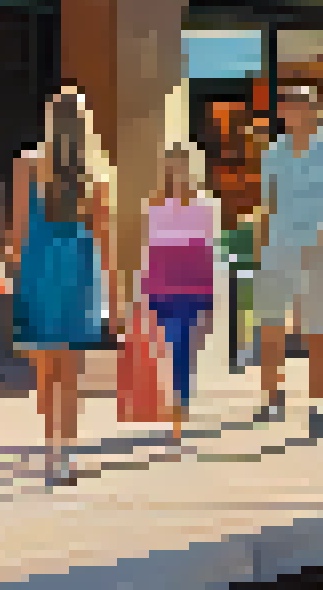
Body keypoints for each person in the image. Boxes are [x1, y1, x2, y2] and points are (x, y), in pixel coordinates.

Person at [8, 87, 116, 484]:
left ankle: (52, 447)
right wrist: (115, 301)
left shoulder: (27, 165)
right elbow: (105, 239)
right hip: (80, 275)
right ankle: (66, 454)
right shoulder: (97, 173)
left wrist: (15, 268)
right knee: (71, 372)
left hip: (39, 273)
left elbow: (19, 232)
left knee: (45, 370)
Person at [253, 85, 323, 437]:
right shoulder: (274, 153)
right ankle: (272, 396)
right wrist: (260, 248)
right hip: (277, 248)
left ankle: (317, 404)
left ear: (313, 110)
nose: (285, 111)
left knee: (314, 328)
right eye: (282, 104)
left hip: (318, 248)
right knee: (271, 324)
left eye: (292, 104)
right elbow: (267, 206)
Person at [143, 141, 218, 450]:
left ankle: (179, 415)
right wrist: (145, 296)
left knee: (184, 352)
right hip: (163, 289)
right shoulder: (155, 204)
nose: (178, 171)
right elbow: (151, 252)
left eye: (183, 164)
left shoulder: (205, 206)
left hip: (193, 289)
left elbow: (208, 253)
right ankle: (175, 413)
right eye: (172, 165)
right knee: (171, 351)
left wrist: (211, 302)